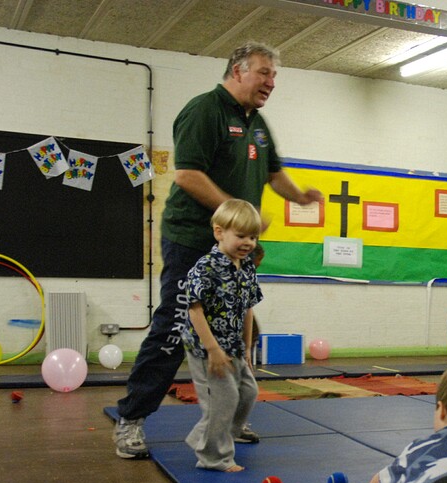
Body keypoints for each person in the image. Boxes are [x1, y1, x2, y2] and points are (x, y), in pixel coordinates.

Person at [112, 42, 323, 459]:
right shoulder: (205, 110)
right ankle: (131, 418)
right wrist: (237, 217)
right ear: (238, 71)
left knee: (243, 327)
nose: (271, 82)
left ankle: (230, 420)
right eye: (264, 73)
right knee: (174, 330)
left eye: (274, 75)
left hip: (235, 247)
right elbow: (187, 175)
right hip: (192, 240)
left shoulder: (257, 123)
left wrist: (299, 197)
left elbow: (274, 173)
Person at [181, 199, 263, 473]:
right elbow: (195, 311)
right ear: (219, 232)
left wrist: (247, 348)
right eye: (241, 236)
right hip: (206, 347)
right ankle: (214, 457)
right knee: (224, 399)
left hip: (234, 345)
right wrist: (213, 350)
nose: (248, 242)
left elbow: (248, 309)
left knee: (248, 392)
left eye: (253, 237)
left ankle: (204, 437)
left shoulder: (247, 267)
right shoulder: (206, 267)